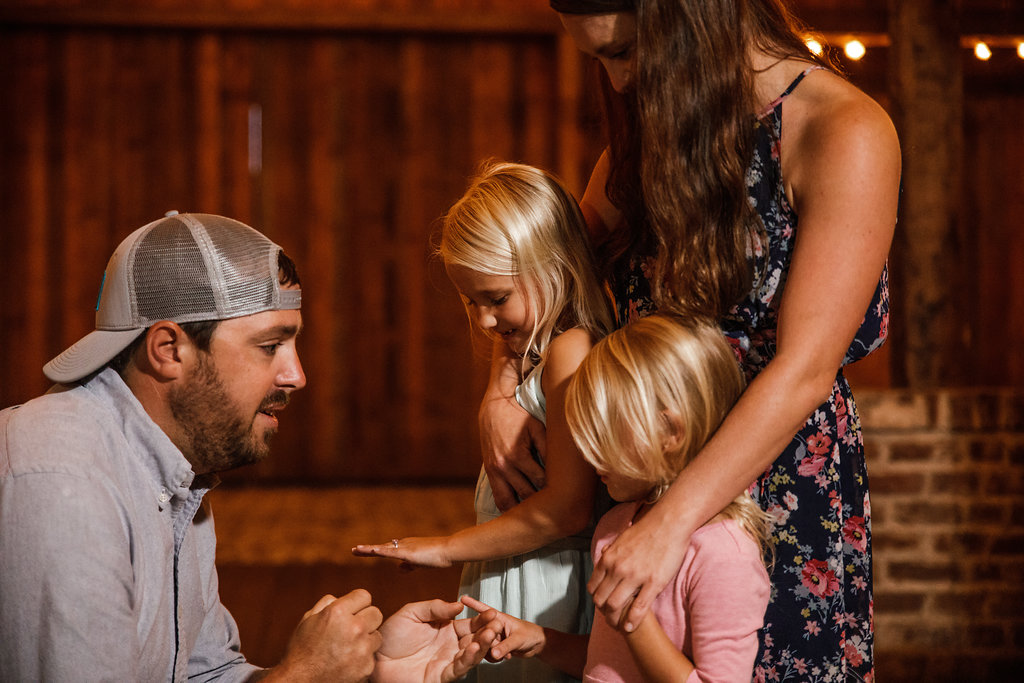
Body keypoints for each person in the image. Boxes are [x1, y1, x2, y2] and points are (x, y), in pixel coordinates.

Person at [479, 1, 901, 679]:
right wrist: (500, 389)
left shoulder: (843, 129)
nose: (617, 83)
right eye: (600, 62)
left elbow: (803, 369)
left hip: (773, 498)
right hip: (641, 481)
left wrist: (669, 524)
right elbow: (554, 274)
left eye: (622, 53)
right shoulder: (659, 129)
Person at [0, 212, 501, 682]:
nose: (297, 375)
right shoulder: (61, 483)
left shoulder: (178, 470)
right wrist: (302, 675)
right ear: (169, 349)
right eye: (270, 346)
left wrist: (368, 671)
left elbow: (206, 675)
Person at [353, 161, 615, 682]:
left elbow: (566, 509)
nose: (485, 322)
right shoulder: (541, 349)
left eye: (496, 299)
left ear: (554, 265)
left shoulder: (571, 351)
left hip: (546, 589)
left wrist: (446, 547)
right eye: (470, 302)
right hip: (514, 570)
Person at [463, 315, 773, 682]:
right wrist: (540, 640)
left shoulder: (723, 555)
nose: (587, 453)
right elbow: (608, 663)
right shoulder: (615, 526)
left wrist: (632, 618)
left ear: (670, 430)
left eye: (603, 433)